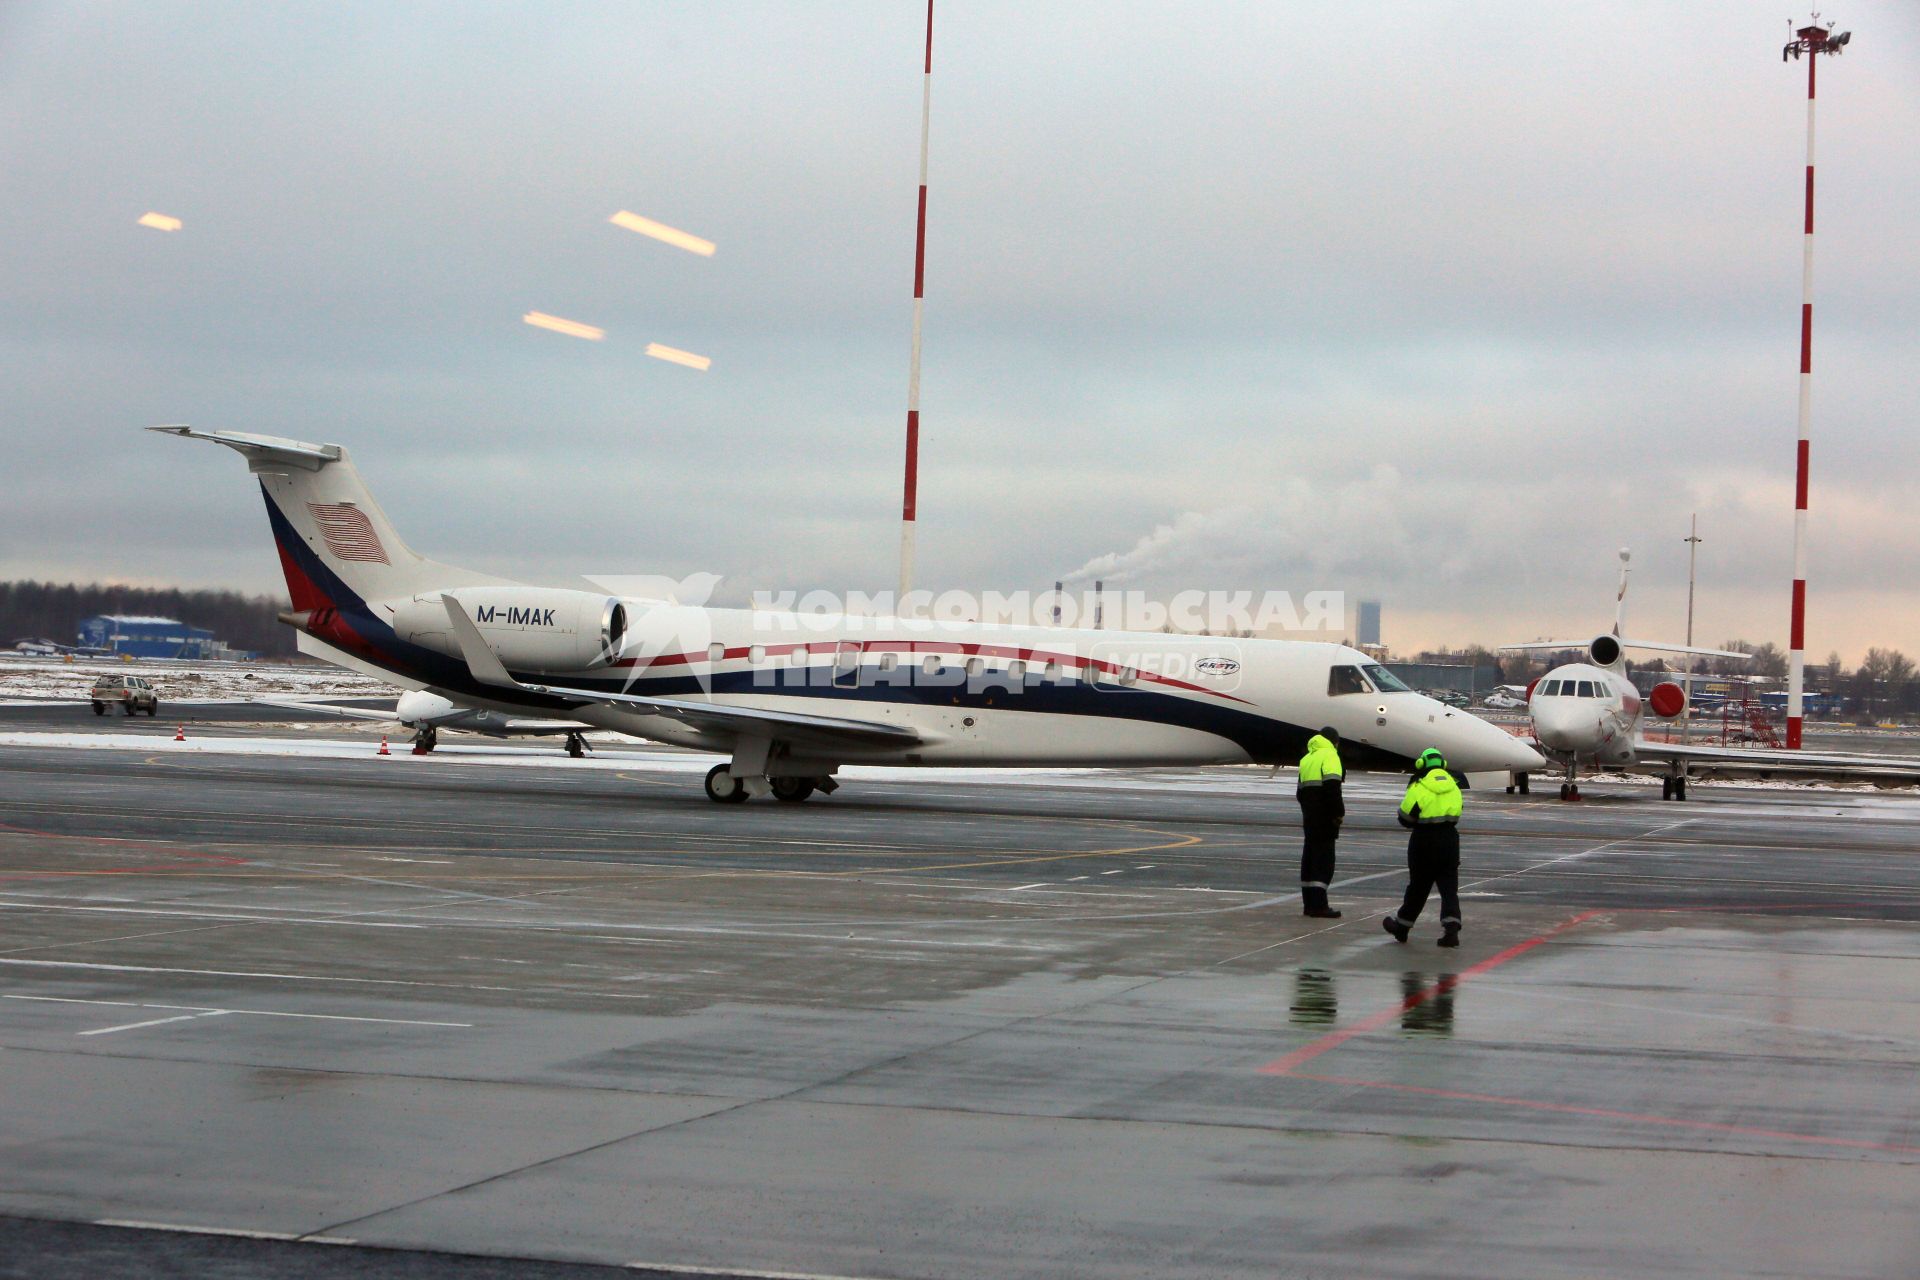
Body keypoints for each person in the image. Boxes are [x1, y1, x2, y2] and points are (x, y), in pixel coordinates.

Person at [1383, 747, 1463, 947]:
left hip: (1424, 841)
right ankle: (1451, 929)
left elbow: (1406, 817)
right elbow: (1458, 812)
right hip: (1449, 840)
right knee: (1449, 888)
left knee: (1418, 887)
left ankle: (1402, 927)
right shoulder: (1454, 785)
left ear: (1421, 764)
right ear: (1442, 765)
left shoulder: (1419, 785)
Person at [1295, 726, 1346, 918]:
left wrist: (1309, 812)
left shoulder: (1307, 758)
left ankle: (1309, 904)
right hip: (1325, 817)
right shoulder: (1330, 756)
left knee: (1309, 859)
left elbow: (1299, 793)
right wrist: (1339, 813)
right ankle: (1320, 906)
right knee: (1323, 861)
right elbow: (1333, 788)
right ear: (1334, 742)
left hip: (1310, 817)